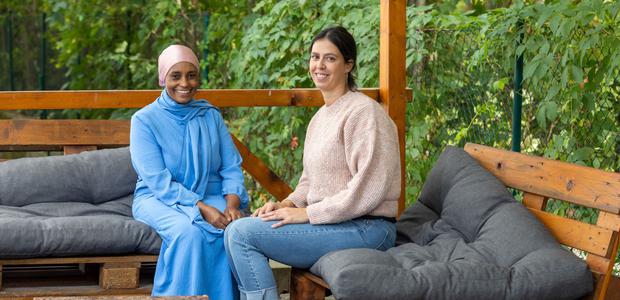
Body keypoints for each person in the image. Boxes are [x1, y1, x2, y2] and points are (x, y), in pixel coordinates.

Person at [224, 26, 401, 300]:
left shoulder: (364, 113)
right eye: (315, 57)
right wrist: (286, 205)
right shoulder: (320, 118)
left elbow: (368, 190)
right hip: (336, 223)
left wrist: (307, 214)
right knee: (237, 230)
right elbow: (309, 183)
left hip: (369, 227)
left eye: (330, 58)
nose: (319, 65)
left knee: (242, 234)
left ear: (348, 64)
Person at [130, 44, 248, 298]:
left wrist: (232, 203)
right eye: (176, 76)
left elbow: (230, 166)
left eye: (191, 75)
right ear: (163, 78)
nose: (185, 83)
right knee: (190, 233)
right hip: (159, 198)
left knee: (234, 229)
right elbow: (158, 181)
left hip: (211, 192)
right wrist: (200, 208)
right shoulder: (144, 120)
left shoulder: (210, 115)